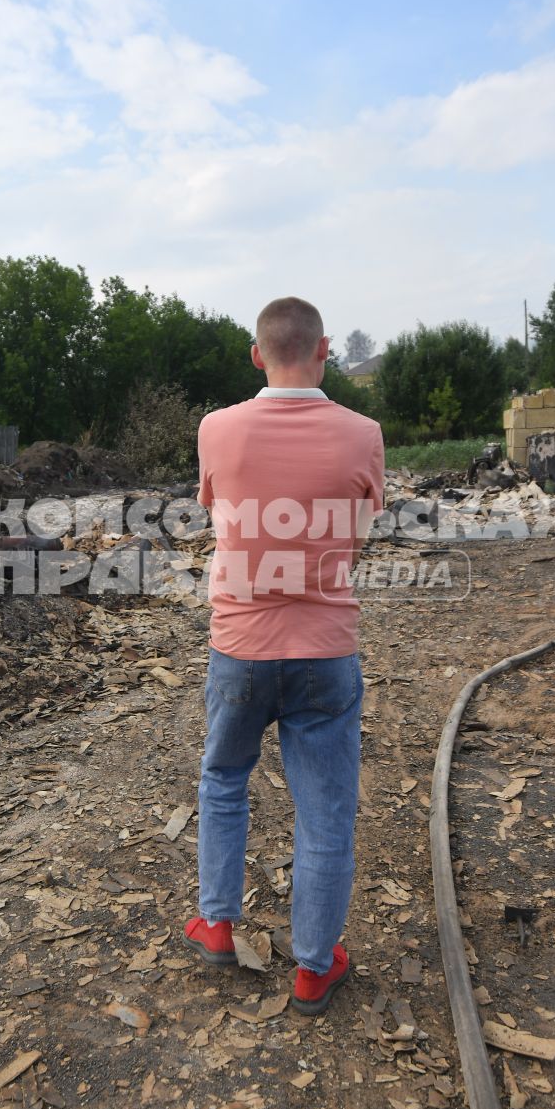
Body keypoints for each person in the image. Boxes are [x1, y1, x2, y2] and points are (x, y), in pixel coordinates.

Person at [182, 296, 385, 1016]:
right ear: (324, 350)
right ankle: (311, 967)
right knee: (325, 810)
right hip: (325, 653)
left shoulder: (218, 429)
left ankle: (216, 923)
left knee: (225, 779)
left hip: (240, 646)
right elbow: (355, 541)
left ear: (256, 354)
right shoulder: (363, 435)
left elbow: (224, 521)